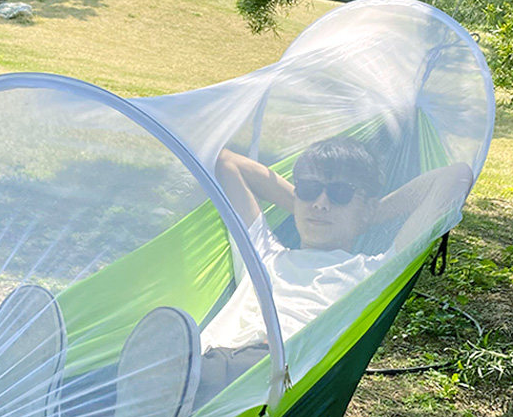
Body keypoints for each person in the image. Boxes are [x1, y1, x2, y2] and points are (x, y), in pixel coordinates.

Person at [202, 136, 474, 351]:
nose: (321, 203)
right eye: (309, 189)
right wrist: (303, 206)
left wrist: (367, 215)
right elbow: (227, 163)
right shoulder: (263, 253)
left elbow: (456, 177)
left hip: (267, 375)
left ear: (367, 207)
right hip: (206, 360)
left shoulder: (373, 274)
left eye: (340, 193)